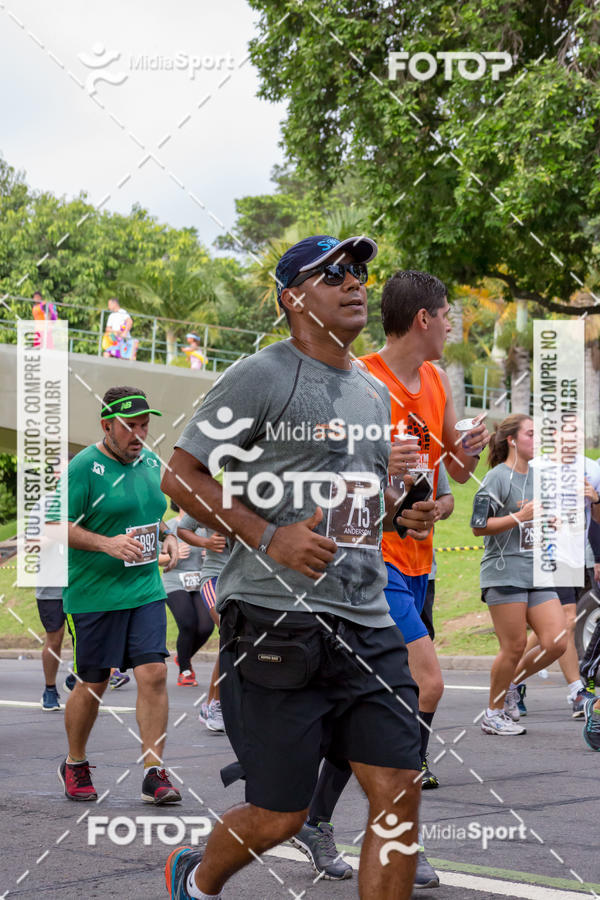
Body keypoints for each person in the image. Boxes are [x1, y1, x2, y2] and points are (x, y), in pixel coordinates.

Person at [162, 234, 431, 900]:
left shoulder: (371, 392)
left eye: (360, 271)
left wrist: (400, 513)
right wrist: (270, 536)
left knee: (398, 791)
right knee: (280, 812)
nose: (355, 283)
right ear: (293, 298)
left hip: (367, 625)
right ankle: (195, 880)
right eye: (334, 273)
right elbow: (181, 474)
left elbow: (353, 501)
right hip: (278, 621)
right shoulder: (263, 374)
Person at [360, 270, 489, 789]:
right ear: (423, 319)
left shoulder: (436, 382)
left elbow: (453, 474)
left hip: (420, 561)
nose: (450, 329)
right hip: (371, 559)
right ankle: (406, 771)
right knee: (426, 682)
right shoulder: (360, 378)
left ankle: (322, 811)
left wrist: (469, 450)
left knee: (380, 691)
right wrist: (378, 458)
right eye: (446, 318)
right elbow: (327, 465)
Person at [47, 385, 182, 804]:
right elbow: (54, 526)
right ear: (107, 425)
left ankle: (154, 771)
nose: (139, 434)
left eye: (144, 425)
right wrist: (106, 544)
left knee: (155, 673)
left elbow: (152, 515)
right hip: (95, 594)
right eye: (130, 427)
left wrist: (169, 535)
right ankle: (75, 762)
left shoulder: (150, 463)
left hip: (144, 588)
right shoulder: (84, 468)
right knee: (94, 682)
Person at [472, 414, 569, 735]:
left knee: (556, 641)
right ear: (512, 440)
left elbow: (538, 520)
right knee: (513, 647)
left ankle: (512, 683)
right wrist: (519, 516)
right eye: (530, 434)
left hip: (536, 572)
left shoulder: (539, 477)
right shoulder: (497, 478)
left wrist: (546, 523)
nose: (537, 439)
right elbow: (478, 525)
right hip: (503, 572)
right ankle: (493, 712)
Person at [516, 457, 600, 717]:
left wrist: (594, 499)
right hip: (546, 556)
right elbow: (519, 510)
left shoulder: (590, 468)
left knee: (552, 628)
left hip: (574, 558)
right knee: (567, 622)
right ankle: (576, 691)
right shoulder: (536, 467)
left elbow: (596, 519)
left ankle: (511, 681)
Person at [177, 518, 228, 731]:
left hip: (246, 580)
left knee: (242, 639)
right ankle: (214, 704)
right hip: (215, 577)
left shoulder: (262, 498)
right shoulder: (212, 498)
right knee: (230, 632)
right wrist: (205, 543)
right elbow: (182, 528)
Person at [35, 453, 77, 710]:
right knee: (55, 637)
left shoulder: (86, 501)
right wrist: (58, 535)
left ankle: (76, 675)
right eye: (59, 473)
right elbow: (31, 545)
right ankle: (50, 689)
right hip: (51, 583)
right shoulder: (43, 504)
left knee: (86, 634)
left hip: (80, 580)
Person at [162, 505, 219, 686]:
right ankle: (185, 670)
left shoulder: (204, 528)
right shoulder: (169, 528)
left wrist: (209, 552)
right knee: (187, 623)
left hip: (199, 582)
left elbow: (221, 552)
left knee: (206, 626)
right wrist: (174, 553)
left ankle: (183, 657)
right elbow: (156, 558)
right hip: (174, 583)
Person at [421, 462, 454, 642]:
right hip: (385, 567)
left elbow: (446, 497)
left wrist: (439, 508)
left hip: (424, 570)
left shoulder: (430, 447)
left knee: (424, 639)